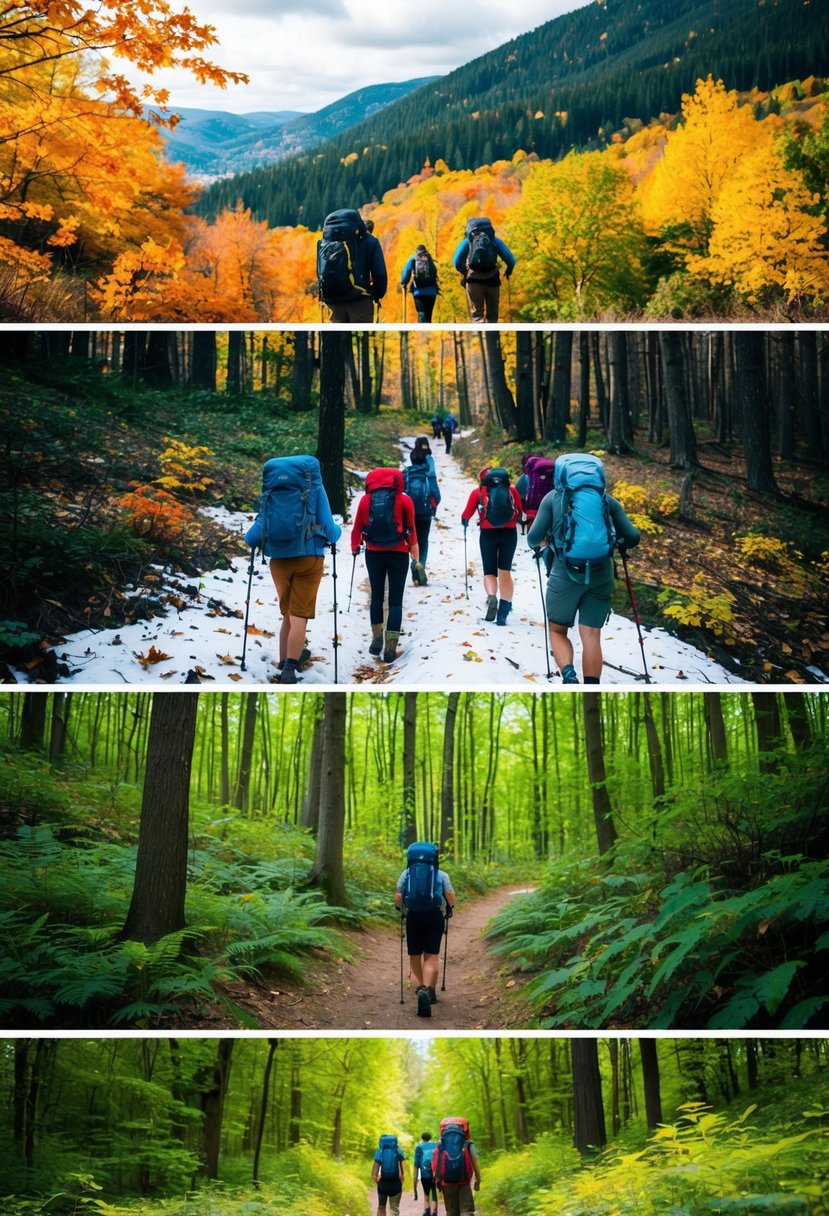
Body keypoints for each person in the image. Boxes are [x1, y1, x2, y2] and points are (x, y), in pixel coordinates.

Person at [526, 453, 641, 684]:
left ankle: (568, 674)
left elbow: (532, 538)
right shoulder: (606, 500)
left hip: (564, 575)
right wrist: (617, 542)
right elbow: (633, 537)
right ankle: (591, 686)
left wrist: (547, 542)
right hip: (601, 575)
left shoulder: (552, 499)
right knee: (591, 636)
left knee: (558, 631)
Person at [244, 454, 341, 684]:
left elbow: (255, 531)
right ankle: (290, 667)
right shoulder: (315, 487)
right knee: (299, 615)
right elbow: (329, 527)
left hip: (278, 560)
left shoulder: (271, 492)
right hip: (309, 557)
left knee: (288, 612)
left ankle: (283, 660)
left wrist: (252, 539)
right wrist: (336, 534)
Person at [351, 467, 423, 662]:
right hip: (399, 553)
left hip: (374, 553)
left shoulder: (366, 500)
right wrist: (415, 556)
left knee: (376, 596)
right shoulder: (405, 500)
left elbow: (357, 527)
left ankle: (376, 638)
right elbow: (412, 530)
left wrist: (354, 547)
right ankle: (391, 647)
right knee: (395, 601)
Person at [394, 841, 455, 1018]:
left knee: (414, 957)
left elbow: (398, 896)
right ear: (434, 858)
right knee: (431, 955)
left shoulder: (406, 874)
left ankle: (420, 988)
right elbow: (450, 897)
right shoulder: (442, 875)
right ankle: (429, 991)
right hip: (434, 916)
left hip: (413, 917)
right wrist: (451, 907)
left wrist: (401, 908)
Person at [460, 466, 522, 626]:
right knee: (505, 572)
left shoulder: (478, 492)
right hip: (509, 534)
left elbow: (466, 514)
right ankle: (504, 610)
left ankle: (492, 596)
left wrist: (465, 522)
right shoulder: (511, 491)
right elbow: (519, 511)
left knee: (489, 572)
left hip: (488, 535)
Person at [317, 207, 387, 323]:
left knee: (337, 338)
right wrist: (378, 294)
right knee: (362, 337)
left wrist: (321, 294)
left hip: (333, 301)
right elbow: (380, 274)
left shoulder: (326, 243)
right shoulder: (370, 241)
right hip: (360, 300)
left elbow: (321, 270)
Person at [452, 217, 516, 323]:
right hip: (493, 279)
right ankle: (492, 337)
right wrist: (508, 271)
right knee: (493, 315)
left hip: (473, 280)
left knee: (477, 315)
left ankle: (482, 335)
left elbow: (457, 261)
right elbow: (511, 260)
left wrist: (465, 271)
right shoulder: (494, 241)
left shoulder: (467, 242)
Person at [403, 436, 441, 583]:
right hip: (425, 513)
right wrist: (433, 506)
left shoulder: (405, 473)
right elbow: (436, 495)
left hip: (409, 513)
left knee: (412, 539)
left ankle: (414, 562)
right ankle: (421, 566)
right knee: (423, 540)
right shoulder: (428, 474)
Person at [433, 1117, 481, 1216]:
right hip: (464, 1181)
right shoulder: (468, 1143)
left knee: (451, 1212)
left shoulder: (441, 1144)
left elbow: (436, 1163)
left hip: (447, 1183)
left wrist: (438, 1183)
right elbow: (475, 1160)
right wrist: (478, 1180)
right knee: (466, 1211)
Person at [401, 244, 440, 322]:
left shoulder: (413, 259)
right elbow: (435, 272)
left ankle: (422, 333)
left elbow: (405, 274)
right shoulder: (429, 258)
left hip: (419, 292)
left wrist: (404, 283)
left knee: (421, 314)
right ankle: (428, 332)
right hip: (431, 292)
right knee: (428, 315)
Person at [372, 1134, 406, 1216]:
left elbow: (374, 1174)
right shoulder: (399, 1151)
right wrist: (400, 1181)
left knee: (381, 1207)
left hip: (383, 1184)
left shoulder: (380, 1152)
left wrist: (378, 1182)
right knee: (394, 1208)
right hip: (396, 1185)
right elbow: (402, 1174)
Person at [414, 1132, 439, 1216]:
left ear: (422, 1138)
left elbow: (416, 1164)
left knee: (426, 1194)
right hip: (435, 1173)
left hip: (425, 1174)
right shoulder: (435, 1145)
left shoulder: (419, 1147)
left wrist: (415, 1184)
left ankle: (427, 1212)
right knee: (434, 1194)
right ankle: (434, 1212)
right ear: (430, 1137)